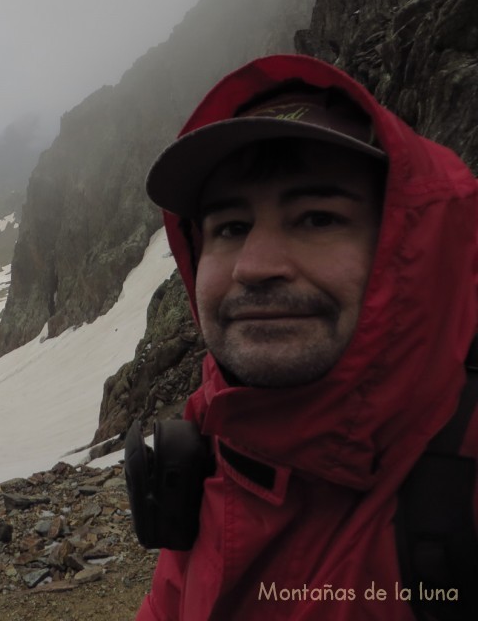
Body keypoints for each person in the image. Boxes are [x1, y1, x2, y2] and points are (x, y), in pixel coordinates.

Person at [134, 54, 478, 620]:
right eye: (231, 227)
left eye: (317, 218)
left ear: (406, 241)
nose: (255, 265)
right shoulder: (211, 448)